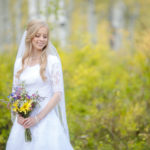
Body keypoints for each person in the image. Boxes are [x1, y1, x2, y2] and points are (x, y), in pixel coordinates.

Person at [6, 19, 74, 150]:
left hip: (46, 120)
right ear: (30, 37)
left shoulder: (52, 61)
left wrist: (37, 118)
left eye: (45, 36)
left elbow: (58, 94)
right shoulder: (20, 63)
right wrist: (19, 115)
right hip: (24, 123)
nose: (41, 39)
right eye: (37, 35)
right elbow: (15, 92)